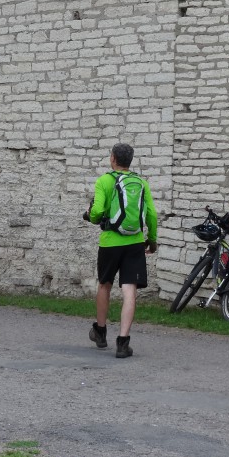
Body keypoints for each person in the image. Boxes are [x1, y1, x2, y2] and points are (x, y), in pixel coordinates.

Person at [84, 142, 158, 358]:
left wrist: (91, 216)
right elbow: (152, 215)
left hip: (110, 243)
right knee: (129, 291)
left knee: (104, 285)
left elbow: (97, 212)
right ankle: (123, 343)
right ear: (130, 161)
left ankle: (100, 332)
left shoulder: (104, 181)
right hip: (135, 243)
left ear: (113, 159)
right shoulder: (141, 183)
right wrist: (152, 241)